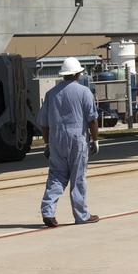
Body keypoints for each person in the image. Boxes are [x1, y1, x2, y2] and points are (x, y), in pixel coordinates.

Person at [38, 56, 100, 226]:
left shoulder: (50, 94)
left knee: (56, 176)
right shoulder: (84, 92)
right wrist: (95, 140)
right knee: (78, 177)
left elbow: (43, 123)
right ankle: (81, 215)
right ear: (77, 74)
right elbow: (92, 119)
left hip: (56, 140)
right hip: (76, 140)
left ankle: (48, 211)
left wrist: (47, 144)